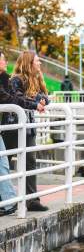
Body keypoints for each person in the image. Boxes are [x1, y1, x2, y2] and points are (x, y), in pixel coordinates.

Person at [0, 51, 45, 215]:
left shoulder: (35, 79)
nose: (39, 64)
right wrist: (35, 103)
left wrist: (40, 101)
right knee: (5, 162)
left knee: (29, 161)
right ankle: (8, 200)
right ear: (29, 63)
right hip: (12, 126)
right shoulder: (15, 79)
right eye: (37, 61)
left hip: (28, 126)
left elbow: (44, 96)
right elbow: (14, 99)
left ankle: (31, 200)